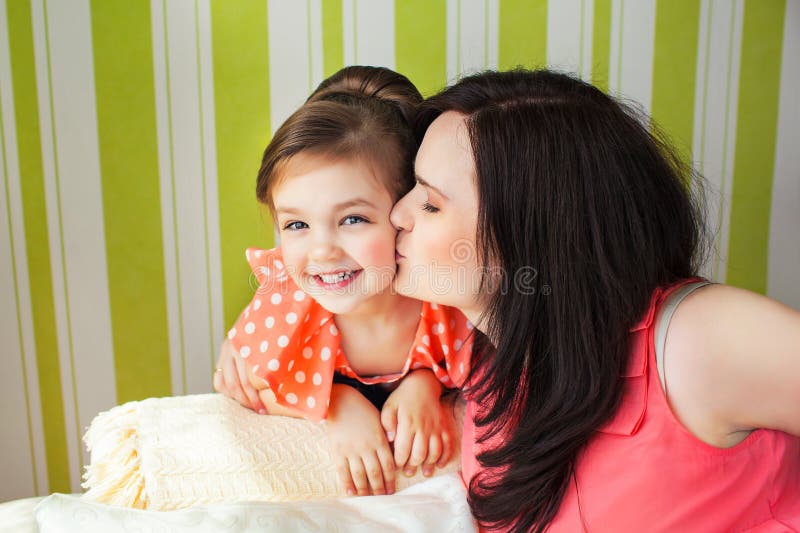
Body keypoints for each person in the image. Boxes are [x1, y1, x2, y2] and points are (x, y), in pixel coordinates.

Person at [389, 69, 800, 532]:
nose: (397, 214)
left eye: (429, 203)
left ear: (536, 232)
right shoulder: (486, 353)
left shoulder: (694, 340)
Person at [213, 66, 473, 498]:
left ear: (407, 209)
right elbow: (246, 382)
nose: (321, 252)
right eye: (296, 225)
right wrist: (337, 404)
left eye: (353, 219)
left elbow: (487, 372)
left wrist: (423, 385)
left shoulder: (440, 293)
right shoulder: (287, 298)